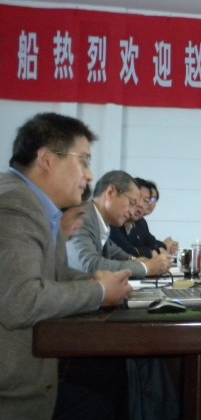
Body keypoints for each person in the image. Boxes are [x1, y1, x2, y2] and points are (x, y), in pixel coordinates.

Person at [0, 112, 132, 420]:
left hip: (30, 371)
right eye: (83, 161)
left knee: (110, 379)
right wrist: (100, 292)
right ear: (46, 159)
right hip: (12, 396)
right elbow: (20, 302)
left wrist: (94, 279)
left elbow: (55, 274)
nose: (90, 175)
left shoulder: (38, 205)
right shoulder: (15, 206)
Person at [66, 170, 172, 278]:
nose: (132, 212)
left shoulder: (100, 223)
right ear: (110, 192)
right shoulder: (82, 219)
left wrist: (137, 261)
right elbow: (89, 265)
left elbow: (117, 255)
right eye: (131, 203)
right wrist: (147, 268)